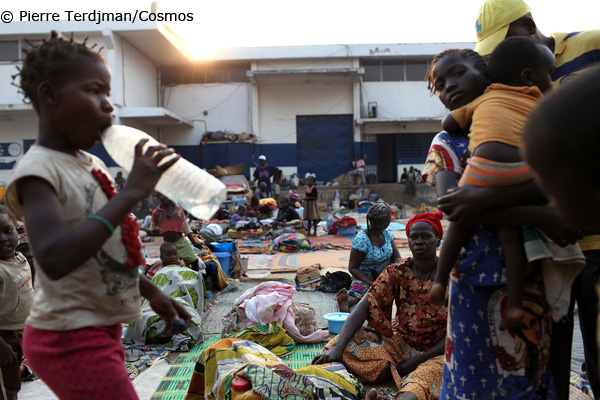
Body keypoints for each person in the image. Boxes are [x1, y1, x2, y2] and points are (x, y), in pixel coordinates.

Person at [4, 31, 192, 399]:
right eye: (94, 91)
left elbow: (103, 249)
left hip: (99, 326)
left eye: (108, 93)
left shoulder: (91, 164)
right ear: (48, 95)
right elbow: (55, 257)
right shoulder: (38, 170)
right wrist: (133, 193)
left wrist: (152, 292)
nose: (108, 106)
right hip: (67, 336)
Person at [474, 2, 600, 397]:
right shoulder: (503, 78)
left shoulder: (592, 45)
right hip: (548, 246)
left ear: (528, 25)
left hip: (596, 240)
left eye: (502, 43)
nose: (495, 57)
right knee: (550, 357)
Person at [424, 47, 562, 400]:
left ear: (485, 74)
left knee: (526, 372)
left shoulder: (526, 121)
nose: (448, 86)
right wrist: (539, 214)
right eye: (440, 84)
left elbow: (553, 183)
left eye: (458, 73)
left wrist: (483, 200)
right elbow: (455, 207)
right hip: (471, 278)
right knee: (473, 374)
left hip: (527, 278)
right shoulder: (448, 142)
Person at [313, 212, 447, 400]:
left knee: (421, 381)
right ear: (407, 241)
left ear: (438, 240)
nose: (419, 241)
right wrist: (338, 347)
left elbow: (456, 334)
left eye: (426, 236)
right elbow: (364, 306)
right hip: (402, 344)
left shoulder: (451, 277)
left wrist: (417, 360)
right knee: (342, 344)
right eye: (414, 237)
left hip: (439, 352)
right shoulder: (398, 272)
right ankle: (329, 381)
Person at [336, 202, 401, 312]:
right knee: (361, 292)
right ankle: (346, 302)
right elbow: (353, 267)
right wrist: (371, 283)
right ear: (385, 223)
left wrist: (391, 273)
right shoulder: (362, 240)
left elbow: (397, 258)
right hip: (364, 277)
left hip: (385, 274)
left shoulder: (387, 235)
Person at [0, 206, 34, 400]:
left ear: (17, 229)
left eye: (7, 231)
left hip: (17, 333)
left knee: (12, 383)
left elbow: (27, 292)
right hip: (2, 335)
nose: (2, 238)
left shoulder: (20, 258)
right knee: (5, 386)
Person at [151, 192, 206, 273]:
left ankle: (196, 278)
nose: (165, 197)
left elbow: (186, 228)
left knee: (194, 260)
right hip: (168, 244)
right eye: (161, 195)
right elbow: (152, 228)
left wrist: (194, 242)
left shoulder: (179, 211)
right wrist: (154, 230)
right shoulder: (156, 213)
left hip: (181, 242)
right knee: (168, 265)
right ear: (157, 196)